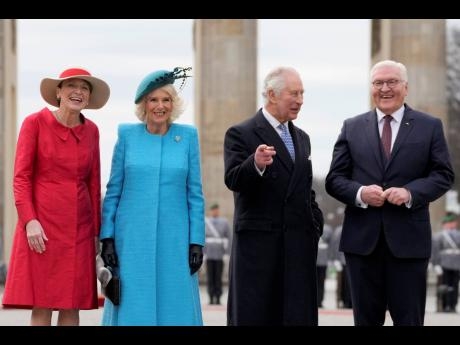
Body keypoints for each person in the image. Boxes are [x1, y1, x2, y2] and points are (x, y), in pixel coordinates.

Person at [325, 59, 455, 326]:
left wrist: (410, 193)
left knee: (409, 320)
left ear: (405, 87)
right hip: (362, 245)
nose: (385, 88)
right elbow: (335, 179)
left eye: (392, 82)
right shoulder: (352, 127)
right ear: (371, 88)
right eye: (378, 83)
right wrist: (360, 193)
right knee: (366, 320)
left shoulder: (429, 126)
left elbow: (443, 175)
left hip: (408, 245)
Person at [2, 67, 110, 326]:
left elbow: (93, 183)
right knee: (43, 303)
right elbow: (21, 178)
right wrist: (29, 220)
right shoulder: (34, 123)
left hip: (80, 229)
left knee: (72, 305)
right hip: (42, 226)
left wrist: (97, 232)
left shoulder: (92, 131)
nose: (78, 92)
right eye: (72, 85)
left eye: (85, 88)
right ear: (58, 92)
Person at [99, 67, 205, 326]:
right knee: (134, 304)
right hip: (132, 239)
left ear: (173, 103)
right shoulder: (127, 136)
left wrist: (196, 242)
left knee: (176, 305)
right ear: (144, 104)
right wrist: (107, 239)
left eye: (166, 99)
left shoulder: (188, 136)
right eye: (154, 100)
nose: (160, 106)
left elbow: (195, 194)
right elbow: (113, 191)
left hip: (176, 239)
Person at [224, 66, 324, 326]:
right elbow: (233, 180)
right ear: (271, 94)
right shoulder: (241, 133)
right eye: (294, 93)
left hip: (298, 247)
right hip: (259, 250)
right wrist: (254, 163)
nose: (300, 100)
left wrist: (315, 223)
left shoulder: (302, 138)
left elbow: (304, 188)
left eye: (302, 93)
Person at [431, 212, 460, 313]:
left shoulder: (458, 234)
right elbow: (435, 251)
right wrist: (435, 264)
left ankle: (453, 305)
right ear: (444, 224)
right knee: (445, 285)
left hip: (456, 263)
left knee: (455, 285)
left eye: (452, 222)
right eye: (449, 223)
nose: (451, 225)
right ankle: (445, 304)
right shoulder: (439, 236)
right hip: (444, 263)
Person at [204, 202, 231, 305]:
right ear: (211, 211)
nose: (215, 211)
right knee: (210, 277)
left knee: (218, 277)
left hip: (219, 254)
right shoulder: (206, 222)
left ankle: (218, 297)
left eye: (216, 210)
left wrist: (227, 253)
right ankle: (211, 296)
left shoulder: (224, 222)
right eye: (213, 210)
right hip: (209, 253)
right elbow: (203, 238)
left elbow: (229, 237)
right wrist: (203, 253)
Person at [330, 225, 352, 309]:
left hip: (344, 259)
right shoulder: (340, 230)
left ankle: (347, 302)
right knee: (345, 284)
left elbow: (334, 245)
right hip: (344, 259)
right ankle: (347, 302)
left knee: (346, 284)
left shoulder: (339, 229)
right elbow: (335, 245)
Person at [316, 223, 333, 308]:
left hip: (316, 260)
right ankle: (319, 301)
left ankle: (316, 301)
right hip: (323, 261)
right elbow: (332, 246)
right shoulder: (328, 229)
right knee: (321, 283)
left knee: (314, 283)